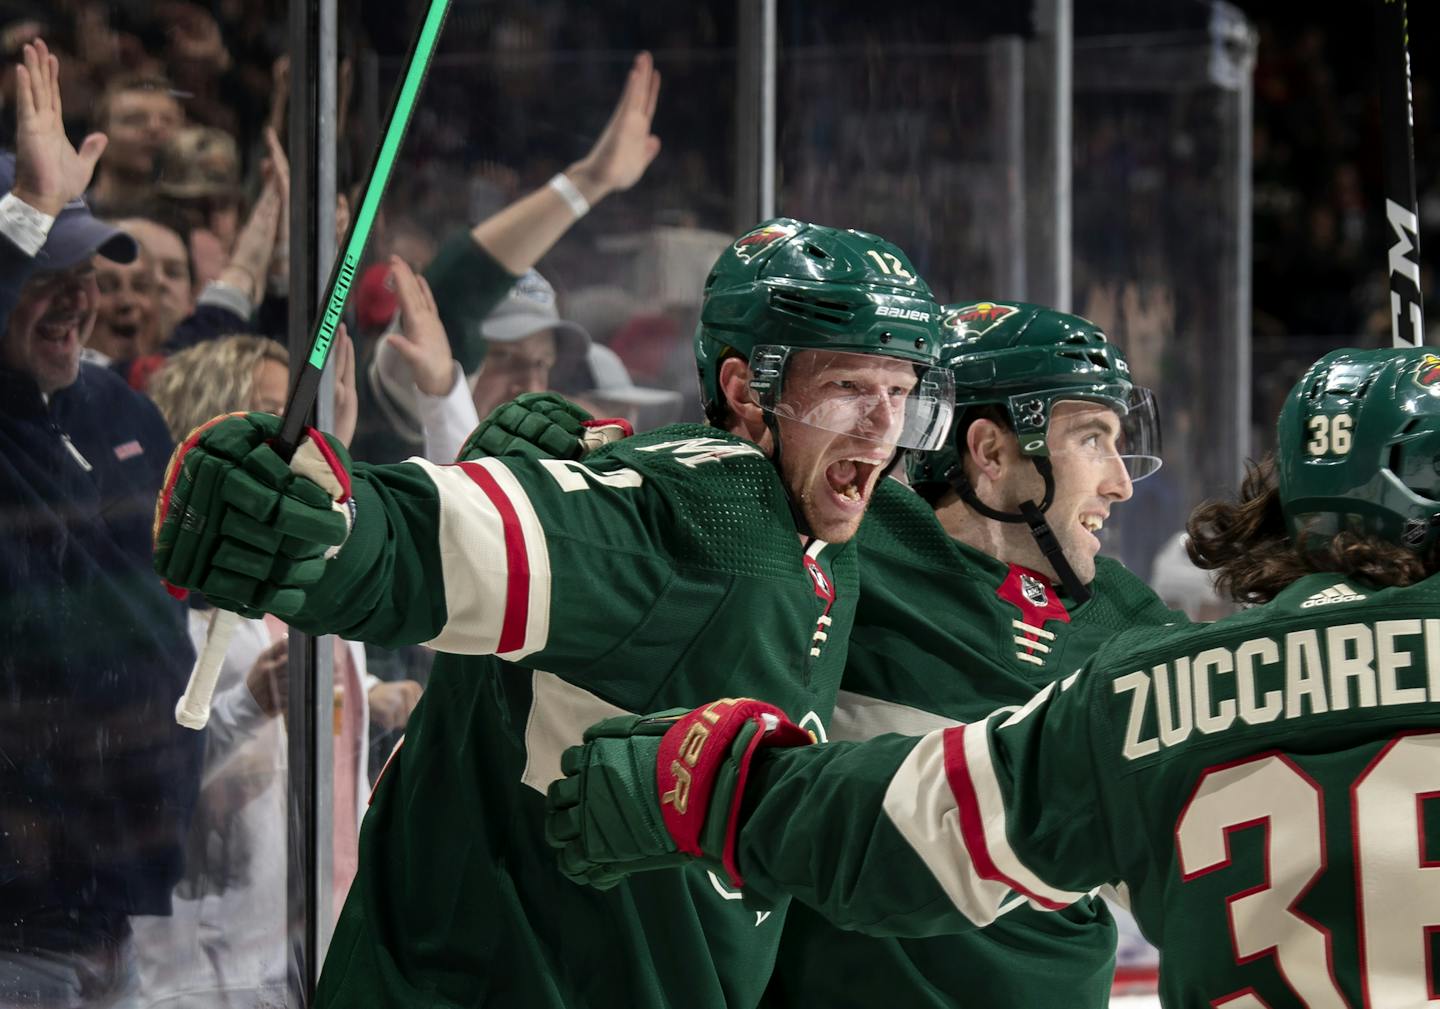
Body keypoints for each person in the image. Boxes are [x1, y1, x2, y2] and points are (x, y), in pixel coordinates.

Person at [151, 217, 956, 1009]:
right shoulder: (701, 518)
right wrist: (327, 530)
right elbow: (437, 540)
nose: (885, 425)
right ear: (746, 391)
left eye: (901, 389)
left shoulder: (830, 518)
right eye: (850, 386)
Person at [548, 344, 1440, 1009]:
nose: (1121, 484)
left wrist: (712, 787)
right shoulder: (920, 557)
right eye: (1093, 438)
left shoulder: (1153, 682)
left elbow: (917, 823)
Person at [476, 301, 1177, 1007]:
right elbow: (686, 500)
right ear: (990, 451)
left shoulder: (1134, 624)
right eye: (1093, 439)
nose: (1121, 480)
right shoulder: (838, 541)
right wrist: (565, 470)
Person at [0, 39, 201, 1005]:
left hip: (118, 901)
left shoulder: (120, 412)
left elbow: (176, 589)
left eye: (87, 267)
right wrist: (25, 217)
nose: (80, 292)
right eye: (49, 270)